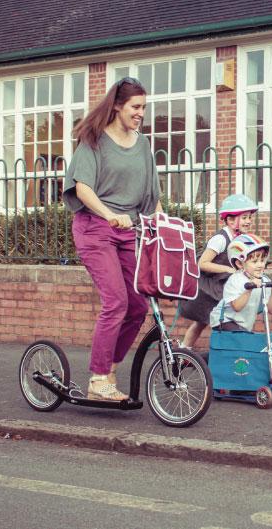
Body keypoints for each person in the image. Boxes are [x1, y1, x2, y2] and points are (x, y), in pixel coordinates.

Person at [63, 77, 162, 401]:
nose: (140, 113)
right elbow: (82, 188)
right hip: (95, 228)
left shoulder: (142, 143)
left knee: (137, 304)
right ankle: (97, 379)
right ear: (118, 106)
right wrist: (108, 214)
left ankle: (109, 369)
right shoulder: (93, 140)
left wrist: (162, 220)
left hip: (127, 231)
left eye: (144, 108)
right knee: (116, 300)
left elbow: (151, 194)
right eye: (135, 107)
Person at [177, 194, 258, 349]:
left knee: (219, 322)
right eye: (245, 217)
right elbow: (202, 263)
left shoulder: (240, 238)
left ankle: (196, 354)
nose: (249, 221)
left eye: (250, 218)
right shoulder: (221, 239)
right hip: (208, 290)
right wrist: (228, 269)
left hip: (221, 289)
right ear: (230, 220)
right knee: (202, 324)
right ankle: (183, 355)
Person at [209, 233, 272, 332]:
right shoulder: (235, 280)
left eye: (262, 260)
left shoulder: (265, 280)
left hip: (243, 326)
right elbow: (236, 307)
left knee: (248, 342)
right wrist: (249, 289)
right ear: (240, 263)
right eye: (254, 262)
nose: (260, 265)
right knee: (240, 341)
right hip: (224, 320)